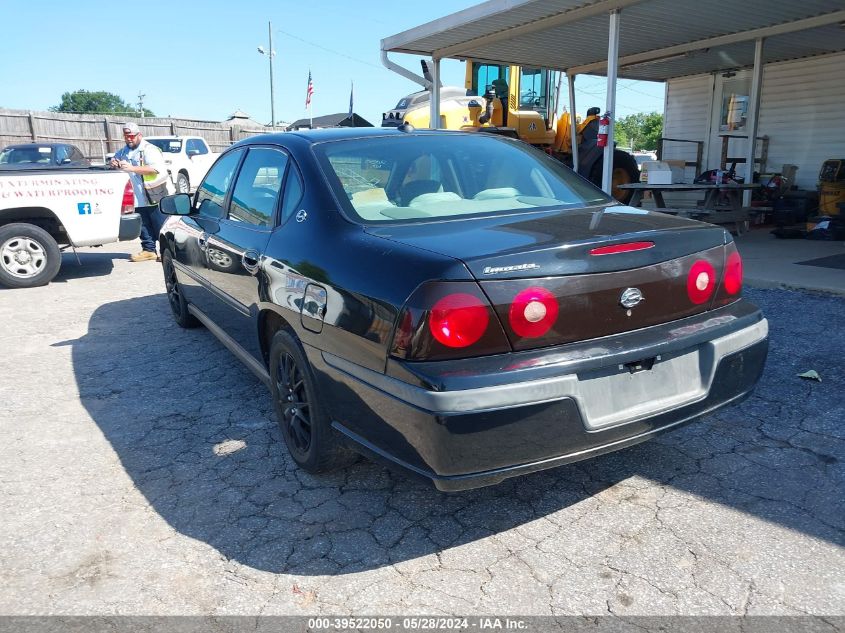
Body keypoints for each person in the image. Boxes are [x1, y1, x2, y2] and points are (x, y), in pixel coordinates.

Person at [111, 122, 173, 262]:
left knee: (160, 224)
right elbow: (114, 161)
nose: (129, 139)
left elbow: (156, 169)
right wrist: (114, 163)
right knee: (142, 225)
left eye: (132, 136)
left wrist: (132, 168)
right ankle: (148, 250)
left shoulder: (149, 150)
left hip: (153, 193)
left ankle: (167, 251)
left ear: (139, 135)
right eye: (126, 136)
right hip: (136, 196)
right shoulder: (123, 152)